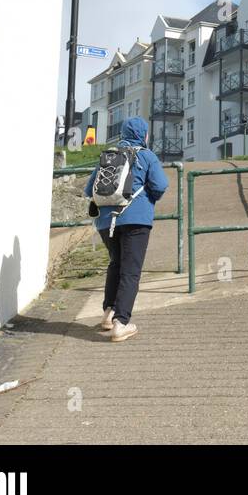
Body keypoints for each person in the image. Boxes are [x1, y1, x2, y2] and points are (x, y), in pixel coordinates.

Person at [84, 116, 168, 342]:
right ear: (145, 135)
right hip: (135, 220)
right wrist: (147, 198)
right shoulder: (146, 156)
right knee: (130, 271)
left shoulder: (109, 156)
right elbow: (160, 185)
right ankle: (121, 324)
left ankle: (108, 314)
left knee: (116, 264)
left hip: (105, 222)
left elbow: (88, 189)